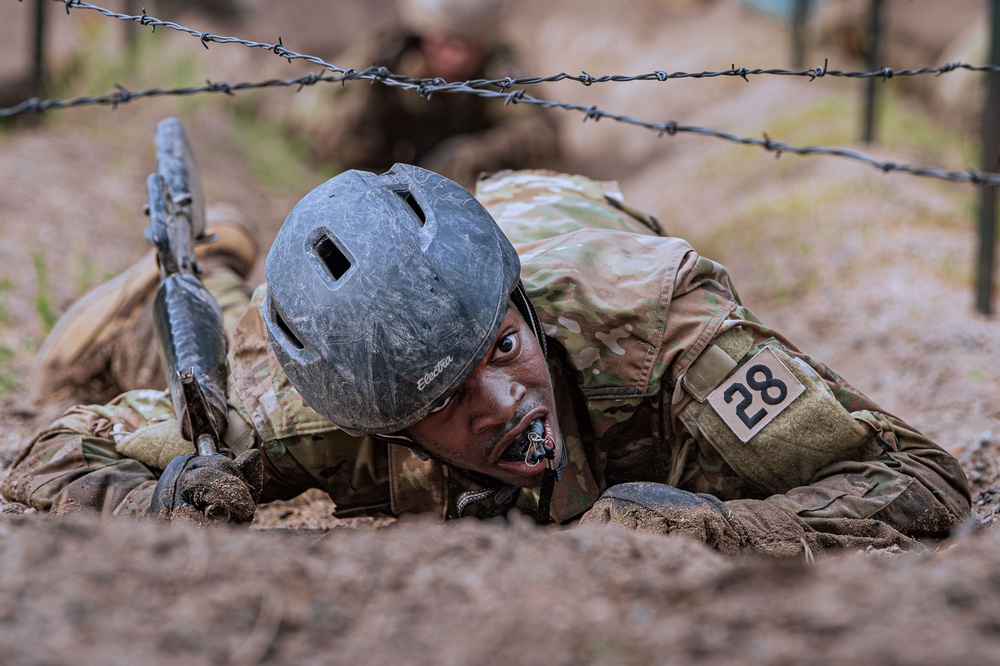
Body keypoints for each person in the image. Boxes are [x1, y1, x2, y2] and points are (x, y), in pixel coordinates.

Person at [2, 164, 971, 557]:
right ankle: (212, 265)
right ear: (380, 421)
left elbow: (921, 477)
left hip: (559, 221)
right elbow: (51, 450)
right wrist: (157, 502)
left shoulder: (669, 338)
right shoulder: (310, 413)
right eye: (448, 397)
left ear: (517, 307)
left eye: (504, 349)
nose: (507, 400)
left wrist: (730, 528)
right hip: (331, 319)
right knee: (181, 354)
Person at [284, 0, 560, 189]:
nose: (457, 57)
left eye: (468, 46)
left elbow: (540, 133)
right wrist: (369, 98)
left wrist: (477, 152)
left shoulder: (499, 68)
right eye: (447, 43)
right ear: (426, 37)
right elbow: (315, 125)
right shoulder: (387, 55)